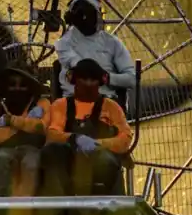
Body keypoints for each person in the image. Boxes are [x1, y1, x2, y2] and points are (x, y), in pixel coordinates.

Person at [39, 58, 133, 196]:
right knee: (52, 151)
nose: (88, 84)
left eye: (92, 79)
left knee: (106, 161)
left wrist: (99, 144)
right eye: (84, 79)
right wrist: (74, 138)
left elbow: (125, 138)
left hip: (102, 162)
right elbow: (53, 134)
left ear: (100, 82)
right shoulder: (60, 105)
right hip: (68, 163)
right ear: (74, 80)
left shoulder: (111, 106)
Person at [54, 0, 135, 102]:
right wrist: (94, 73)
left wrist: (106, 77)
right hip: (72, 102)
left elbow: (132, 79)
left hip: (105, 102)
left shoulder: (112, 42)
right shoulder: (63, 43)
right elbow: (83, 66)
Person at [0, 67, 51, 196]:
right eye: (12, 84)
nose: (17, 88)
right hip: (4, 150)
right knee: (0, 160)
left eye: (23, 85)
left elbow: (41, 128)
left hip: (32, 148)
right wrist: (26, 124)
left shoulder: (42, 103)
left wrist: (11, 121)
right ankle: (5, 209)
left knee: (31, 164)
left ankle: (27, 209)